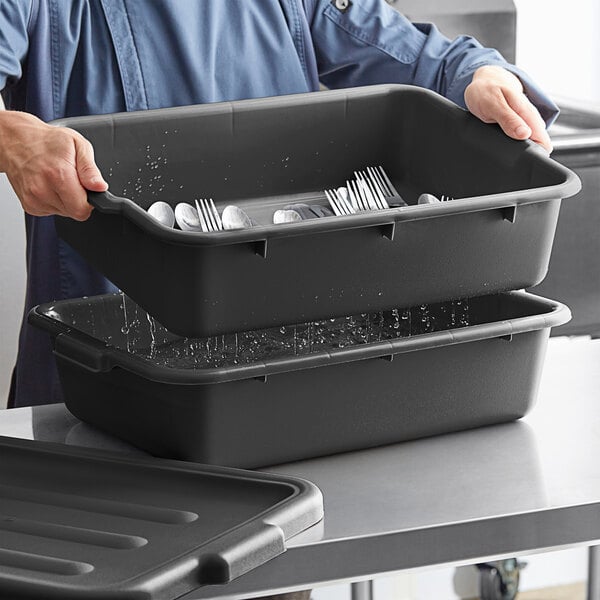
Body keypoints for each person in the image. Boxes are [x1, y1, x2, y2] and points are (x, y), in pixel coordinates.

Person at [0, 0, 557, 410]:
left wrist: (480, 75)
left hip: (290, 373)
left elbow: (418, 57)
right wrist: (11, 136)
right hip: (101, 382)